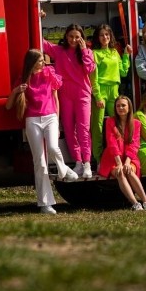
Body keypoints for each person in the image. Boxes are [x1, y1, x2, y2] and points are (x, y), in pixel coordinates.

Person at [6, 49, 79, 215]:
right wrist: (16, 91)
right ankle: (45, 203)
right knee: (40, 162)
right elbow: (9, 106)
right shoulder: (24, 79)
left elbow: (56, 98)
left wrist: (58, 121)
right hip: (32, 120)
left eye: (43, 60)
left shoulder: (49, 73)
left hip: (50, 117)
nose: (44, 63)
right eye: (40, 61)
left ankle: (64, 171)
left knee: (53, 147)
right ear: (31, 63)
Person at [43, 24, 96, 178]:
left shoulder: (87, 52)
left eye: (77, 37)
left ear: (81, 39)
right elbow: (41, 42)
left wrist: (85, 50)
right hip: (65, 95)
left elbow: (90, 69)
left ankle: (87, 163)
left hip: (82, 95)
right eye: (71, 36)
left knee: (83, 129)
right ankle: (78, 162)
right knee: (68, 129)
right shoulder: (59, 51)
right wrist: (37, 16)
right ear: (66, 36)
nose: (73, 40)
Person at [98, 96, 146, 211]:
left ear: (129, 107)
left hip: (130, 158)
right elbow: (111, 143)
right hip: (112, 158)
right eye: (118, 106)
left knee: (129, 171)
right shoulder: (110, 121)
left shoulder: (136, 124)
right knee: (120, 173)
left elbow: (134, 144)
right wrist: (119, 163)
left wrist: (127, 162)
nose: (120, 108)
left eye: (123, 105)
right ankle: (135, 203)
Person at [90, 24, 132, 161]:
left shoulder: (115, 52)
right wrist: (97, 96)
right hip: (101, 92)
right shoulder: (94, 53)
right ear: (98, 37)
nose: (105, 37)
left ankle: (121, 154)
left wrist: (126, 55)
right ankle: (99, 158)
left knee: (119, 125)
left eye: (107, 34)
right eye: (102, 35)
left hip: (114, 91)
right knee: (98, 126)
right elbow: (93, 78)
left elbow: (123, 72)